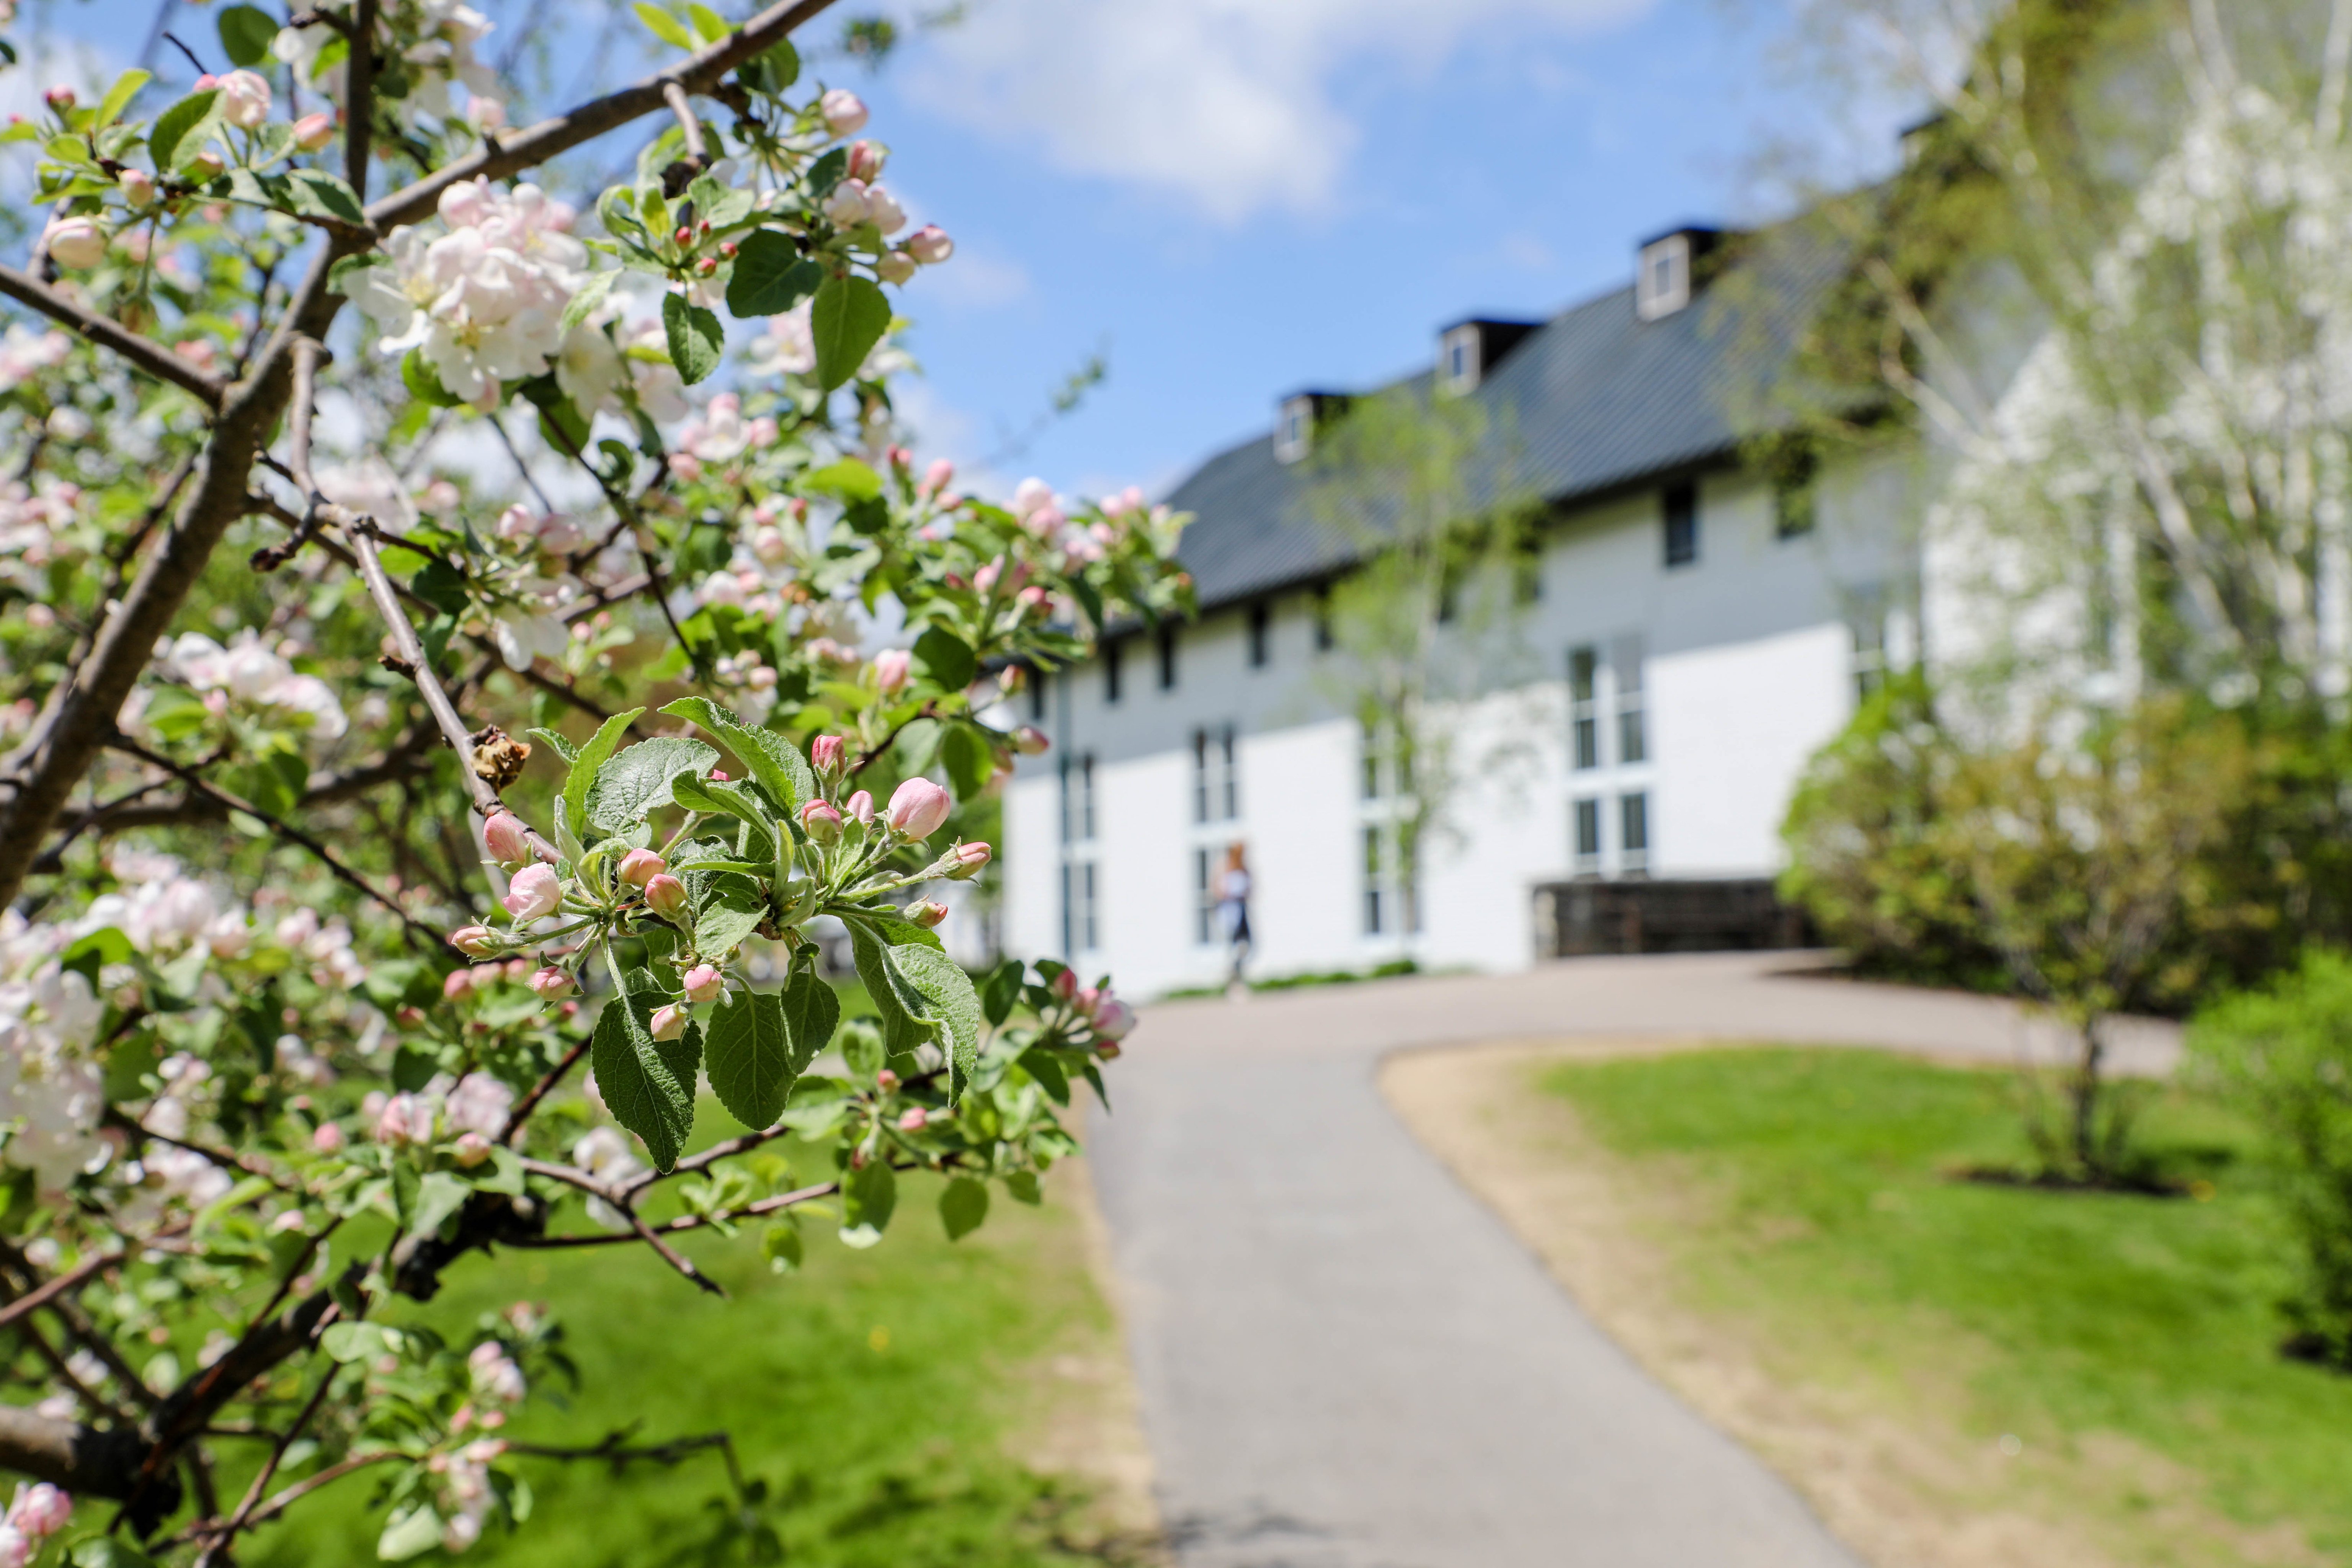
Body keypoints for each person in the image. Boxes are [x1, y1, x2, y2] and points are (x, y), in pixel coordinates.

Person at [1217, 842, 1252, 990]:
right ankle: (1233, 980)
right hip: (1230, 910)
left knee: (1244, 945)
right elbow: (1218, 891)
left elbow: (1251, 888)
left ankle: (1237, 973)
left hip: (1241, 909)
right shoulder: (1225, 869)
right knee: (1233, 945)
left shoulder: (1244, 869)